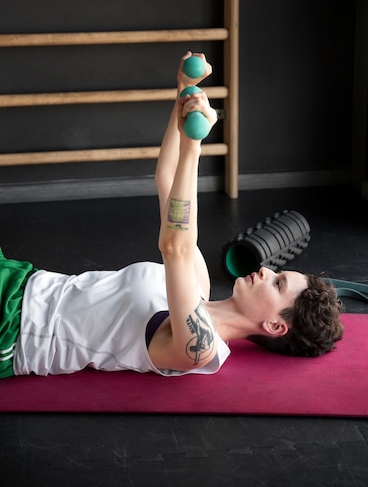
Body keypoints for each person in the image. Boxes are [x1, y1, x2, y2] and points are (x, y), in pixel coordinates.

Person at [0, 52, 343, 380]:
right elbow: (167, 179)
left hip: (14, 330)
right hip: (24, 281)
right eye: (278, 273)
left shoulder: (200, 350)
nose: (267, 270)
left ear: (275, 326)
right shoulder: (200, 285)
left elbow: (175, 246)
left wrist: (195, 145)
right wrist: (184, 93)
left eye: (278, 283)